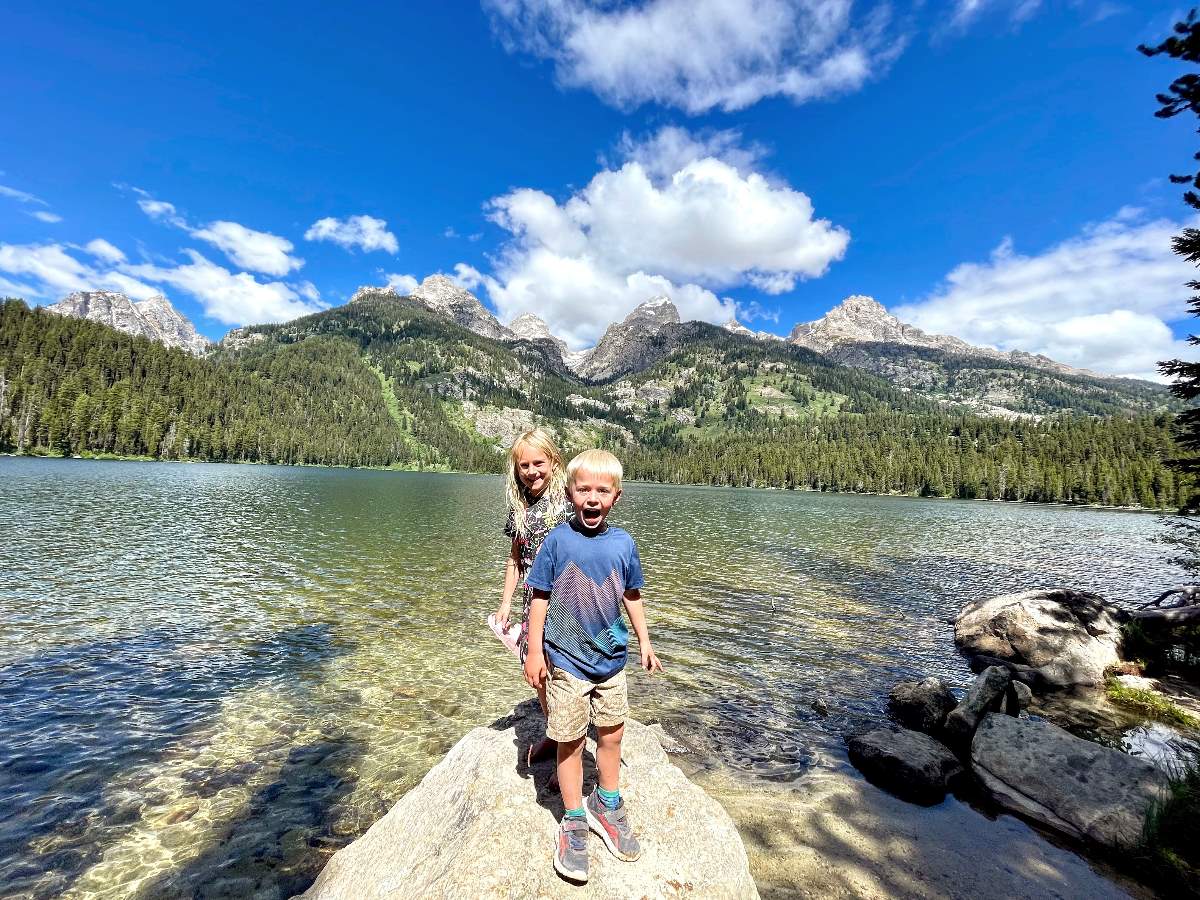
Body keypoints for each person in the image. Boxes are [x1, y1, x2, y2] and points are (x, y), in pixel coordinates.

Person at [523, 449, 663, 885]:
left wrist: (645, 642)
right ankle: (574, 819)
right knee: (568, 739)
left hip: (611, 662)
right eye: (584, 489)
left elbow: (632, 596)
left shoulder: (624, 544)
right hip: (566, 660)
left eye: (602, 491)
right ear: (569, 493)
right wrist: (532, 650)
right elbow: (540, 597)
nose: (592, 498)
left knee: (613, 732)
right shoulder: (557, 542)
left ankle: (607, 801)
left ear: (616, 497)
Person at [490, 428, 573, 765]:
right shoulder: (520, 506)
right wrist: (505, 602)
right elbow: (515, 558)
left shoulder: (569, 501)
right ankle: (556, 735)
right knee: (535, 668)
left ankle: (569, 743)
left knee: (565, 669)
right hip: (532, 601)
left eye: (538, 462)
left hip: (566, 600)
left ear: (553, 462)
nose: (531, 471)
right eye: (524, 465)